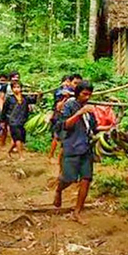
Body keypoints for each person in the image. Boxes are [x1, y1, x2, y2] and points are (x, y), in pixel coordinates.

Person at [54, 80, 97, 223]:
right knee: (69, 178)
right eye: (85, 94)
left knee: (86, 179)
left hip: (86, 148)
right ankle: (59, 190)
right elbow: (64, 125)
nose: (87, 97)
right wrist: (80, 113)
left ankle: (77, 211)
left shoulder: (90, 109)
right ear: (78, 93)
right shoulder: (69, 106)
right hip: (72, 147)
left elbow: (93, 127)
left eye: (89, 94)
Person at [1, 82, 37, 160]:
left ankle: (8, 152)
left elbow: (34, 101)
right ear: (12, 89)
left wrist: (39, 95)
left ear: (21, 88)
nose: (17, 89)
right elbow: (4, 110)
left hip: (22, 121)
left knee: (19, 138)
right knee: (18, 138)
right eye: (15, 87)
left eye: (18, 87)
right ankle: (21, 156)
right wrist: (2, 121)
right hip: (13, 121)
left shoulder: (25, 98)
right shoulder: (9, 98)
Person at [49, 75, 74, 160]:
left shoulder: (72, 91)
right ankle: (51, 156)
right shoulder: (59, 92)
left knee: (64, 140)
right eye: (66, 81)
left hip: (67, 117)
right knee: (56, 137)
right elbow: (58, 106)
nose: (68, 83)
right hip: (59, 116)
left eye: (69, 81)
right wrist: (65, 97)